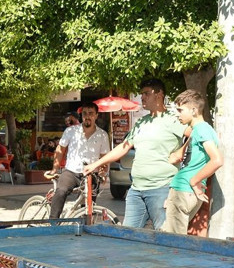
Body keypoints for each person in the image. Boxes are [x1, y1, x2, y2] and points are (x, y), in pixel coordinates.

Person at [84, 79, 186, 229]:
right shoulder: (141, 122)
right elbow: (123, 148)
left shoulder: (172, 120)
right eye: (141, 94)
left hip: (161, 188)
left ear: (159, 95)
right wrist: (96, 164)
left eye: (146, 93)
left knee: (165, 238)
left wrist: (181, 151)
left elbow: (197, 133)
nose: (142, 97)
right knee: (128, 237)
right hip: (136, 189)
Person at [162, 90, 223, 234]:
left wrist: (194, 181)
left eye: (180, 110)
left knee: (172, 241)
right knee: (173, 237)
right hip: (187, 190)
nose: (177, 114)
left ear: (194, 110)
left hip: (184, 190)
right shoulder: (199, 130)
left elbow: (217, 160)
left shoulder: (202, 129)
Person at [48, 101, 110, 218]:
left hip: (91, 174)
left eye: (91, 113)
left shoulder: (102, 135)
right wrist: (54, 169)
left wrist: (103, 172)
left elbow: (104, 157)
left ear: (96, 115)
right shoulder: (71, 131)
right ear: (81, 116)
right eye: (85, 113)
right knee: (61, 191)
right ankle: (52, 223)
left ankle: (84, 227)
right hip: (71, 171)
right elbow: (60, 149)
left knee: (88, 207)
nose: (87, 116)